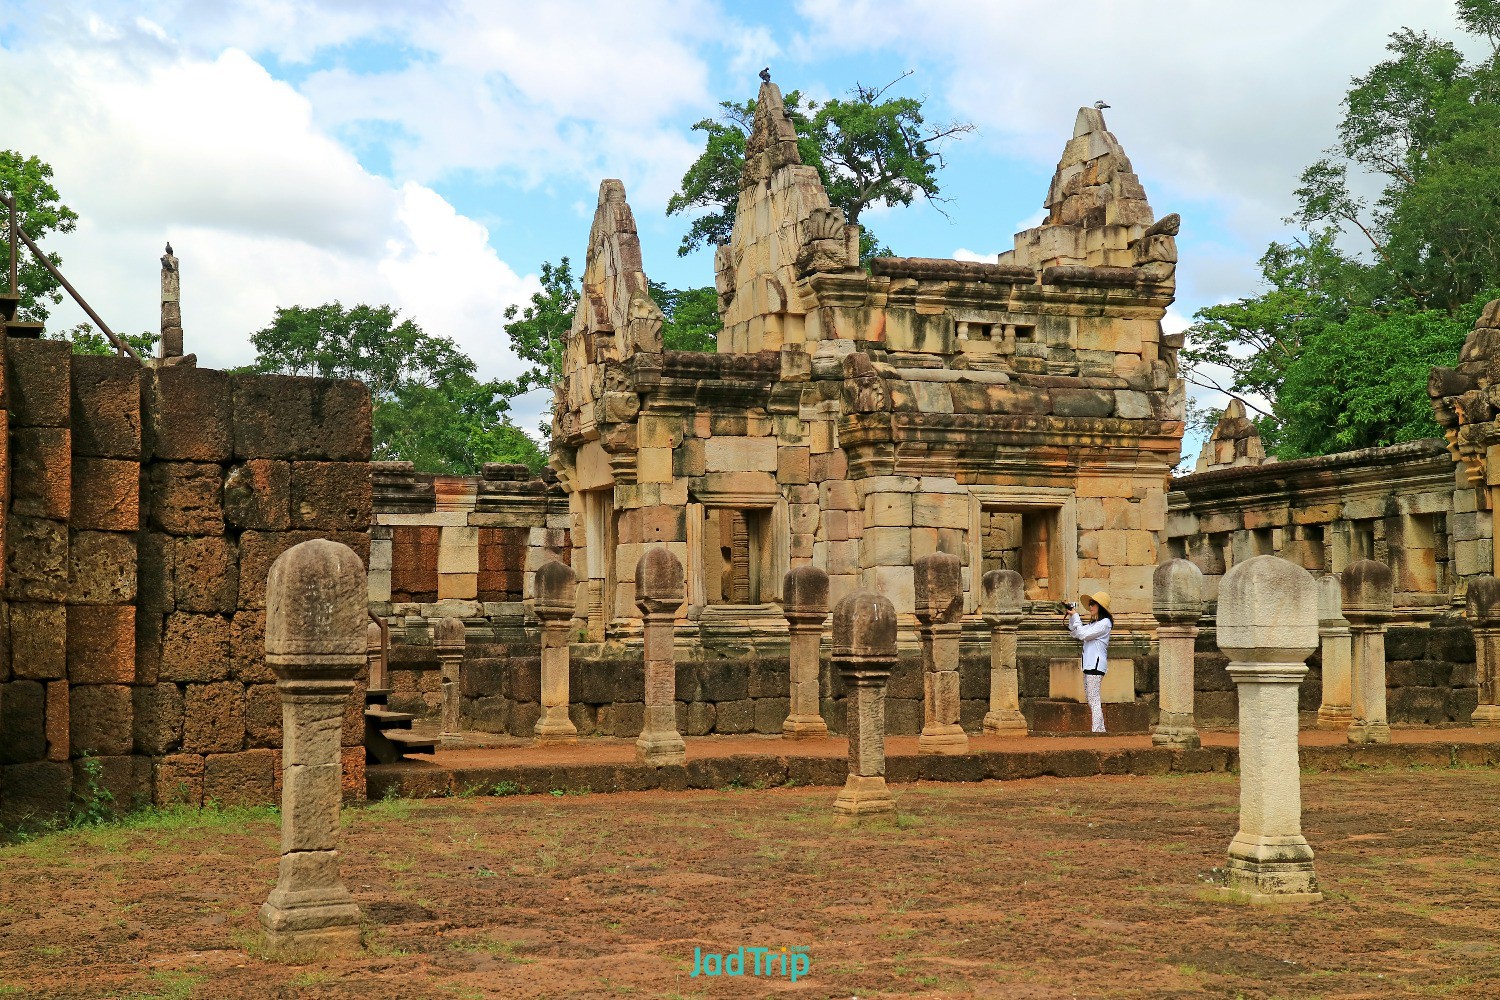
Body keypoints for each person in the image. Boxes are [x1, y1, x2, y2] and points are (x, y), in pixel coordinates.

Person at [1063, 592, 1113, 733]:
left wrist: (1076, 616)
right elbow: (1075, 632)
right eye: (1090, 604)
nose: (1090, 607)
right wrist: (1073, 616)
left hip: (1095, 665)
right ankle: (1100, 729)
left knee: (1094, 700)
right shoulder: (1095, 624)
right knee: (1092, 700)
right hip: (1090, 665)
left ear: (1100, 607)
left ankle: (1098, 730)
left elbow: (1082, 634)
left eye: (1093, 604)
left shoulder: (1104, 624)